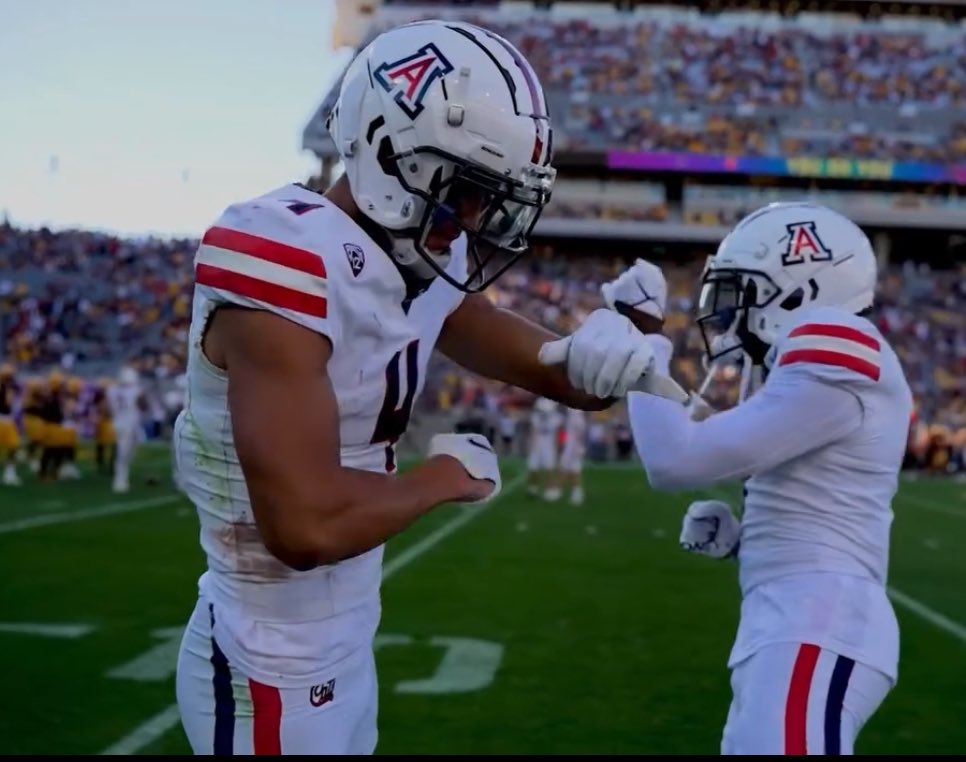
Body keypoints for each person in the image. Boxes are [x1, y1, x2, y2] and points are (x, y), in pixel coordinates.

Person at [172, 19, 657, 756]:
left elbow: (549, 367)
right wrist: (440, 478)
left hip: (339, 641)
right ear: (388, 148)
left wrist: (604, 348)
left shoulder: (417, 256)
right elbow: (305, 528)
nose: (472, 218)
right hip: (263, 656)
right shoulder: (279, 251)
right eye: (464, 189)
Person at [620, 202, 912, 755]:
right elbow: (823, 500)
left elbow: (673, 459)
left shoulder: (837, 338)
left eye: (744, 291)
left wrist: (642, 340)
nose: (729, 312)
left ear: (802, 291)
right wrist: (744, 542)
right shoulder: (820, 364)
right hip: (794, 619)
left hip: (819, 622)